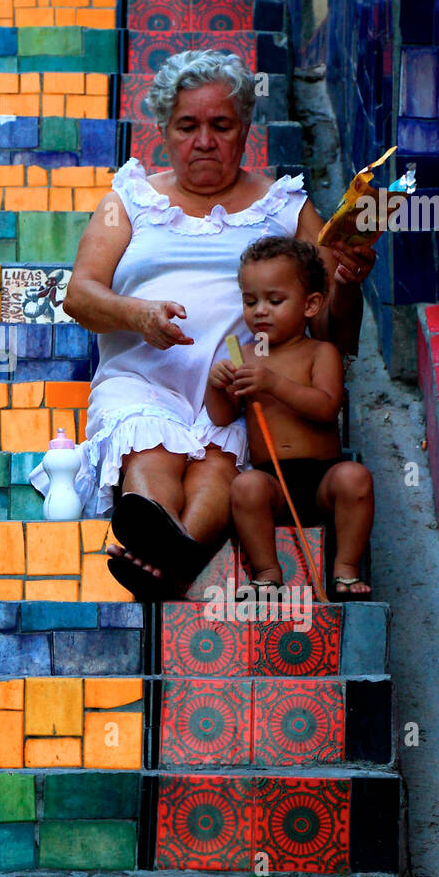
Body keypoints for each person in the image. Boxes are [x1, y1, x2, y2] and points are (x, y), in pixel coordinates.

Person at [30, 49, 375, 599]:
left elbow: (336, 333)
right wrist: (136, 313)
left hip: (239, 384)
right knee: (150, 448)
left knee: (219, 465)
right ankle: (177, 553)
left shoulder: (286, 208)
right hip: (143, 377)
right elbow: (78, 294)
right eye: (188, 126)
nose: (205, 140)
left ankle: (166, 561)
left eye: (222, 125)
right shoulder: (131, 199)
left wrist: (350, 285)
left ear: (245, 130)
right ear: (164, 130)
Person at [205, 236, 374, 596]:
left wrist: (273, 383)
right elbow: (221, 417)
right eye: (250, 302)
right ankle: (266, 571)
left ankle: (345, 569)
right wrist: (216, 386)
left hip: (323, 478)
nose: (260, 311)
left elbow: (327, 406)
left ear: (311, 305)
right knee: (245, 486)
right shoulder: (244, 355)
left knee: (355, 477)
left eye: (274, 300)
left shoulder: (320, 352)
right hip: (273, 485)